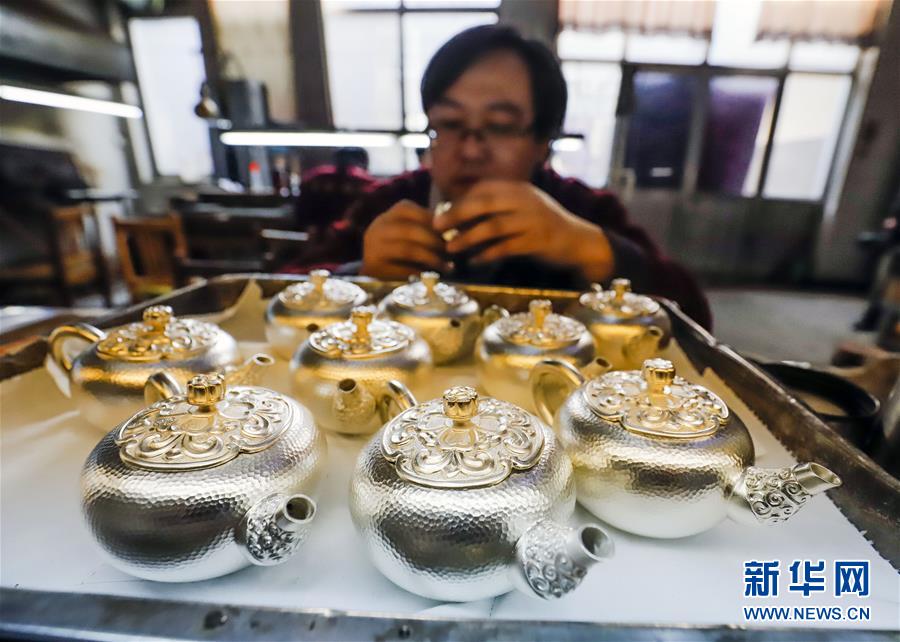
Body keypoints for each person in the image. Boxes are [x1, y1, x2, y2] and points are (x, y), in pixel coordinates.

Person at [334, 25, 712, 329]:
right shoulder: (387, 204)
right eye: (449, 123)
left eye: (500, 126)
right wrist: (362, 276)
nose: (470, 150)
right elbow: (303, 278)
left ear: (542, 144)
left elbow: (694, 316)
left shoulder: (584, 210)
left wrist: (592, 250)